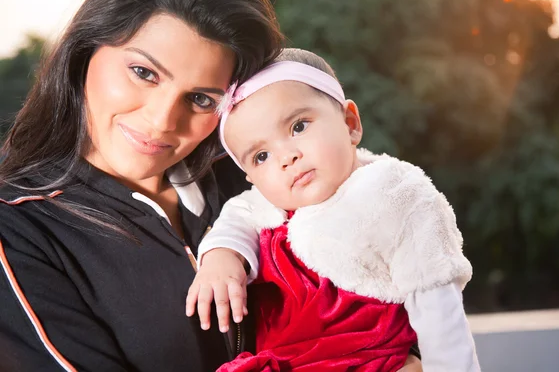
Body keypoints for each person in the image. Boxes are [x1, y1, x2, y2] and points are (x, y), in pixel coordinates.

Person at [0, 0, 285, 370]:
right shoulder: (16, 232)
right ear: (86, 49)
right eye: (144, 73)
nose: (162, 121)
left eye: (201, 99)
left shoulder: (255, 178)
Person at [186, 48, 480, 371]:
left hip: (373, 362)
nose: (286, 157)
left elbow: (439, 309)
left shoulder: (395, 194)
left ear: (349, 123)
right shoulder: (265, 204)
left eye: (298, 126)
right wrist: (221, 256)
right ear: (251, 176)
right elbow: (236, 216)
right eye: (261, 156)